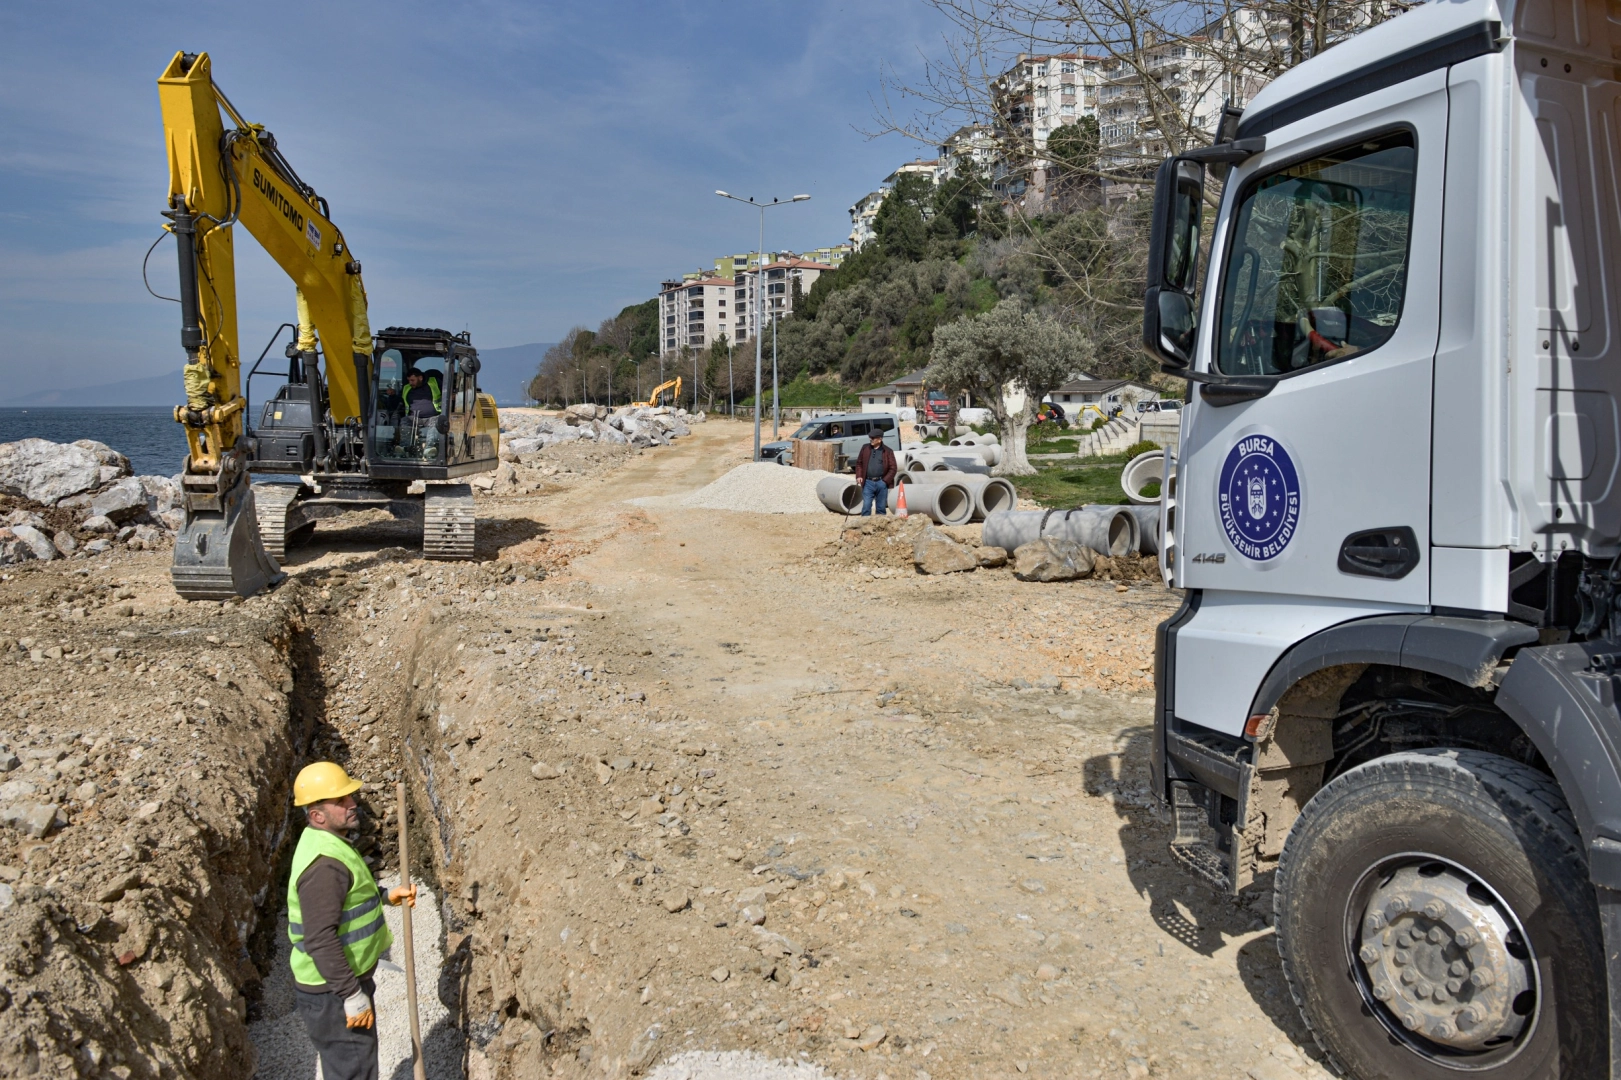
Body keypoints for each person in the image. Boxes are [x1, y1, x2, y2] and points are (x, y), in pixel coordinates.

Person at [287, 762, 416, 1080]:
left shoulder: (328, 843)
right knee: (354, 1070)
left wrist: (387, 896)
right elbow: (319, 938)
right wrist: (350, 994)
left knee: (355, 1065)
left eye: (350, 796)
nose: (352, 804)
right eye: (340, 800)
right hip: (332, 992)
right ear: (317, 814)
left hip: (336, 985)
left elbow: (348, 896)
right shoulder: (324, 865)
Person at [855, 429, 896, 516]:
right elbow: (859, 463)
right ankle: (865, 526)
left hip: (881, 483)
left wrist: (884, 481)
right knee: (866, 506)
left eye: (873, 438)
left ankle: (880, 528)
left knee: (881, 508)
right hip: (868, 482)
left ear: (880, 439)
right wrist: (859, 476)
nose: (871, 439)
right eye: (870, 437)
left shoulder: (888, 451)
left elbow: (893, 468)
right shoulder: (865, 448)